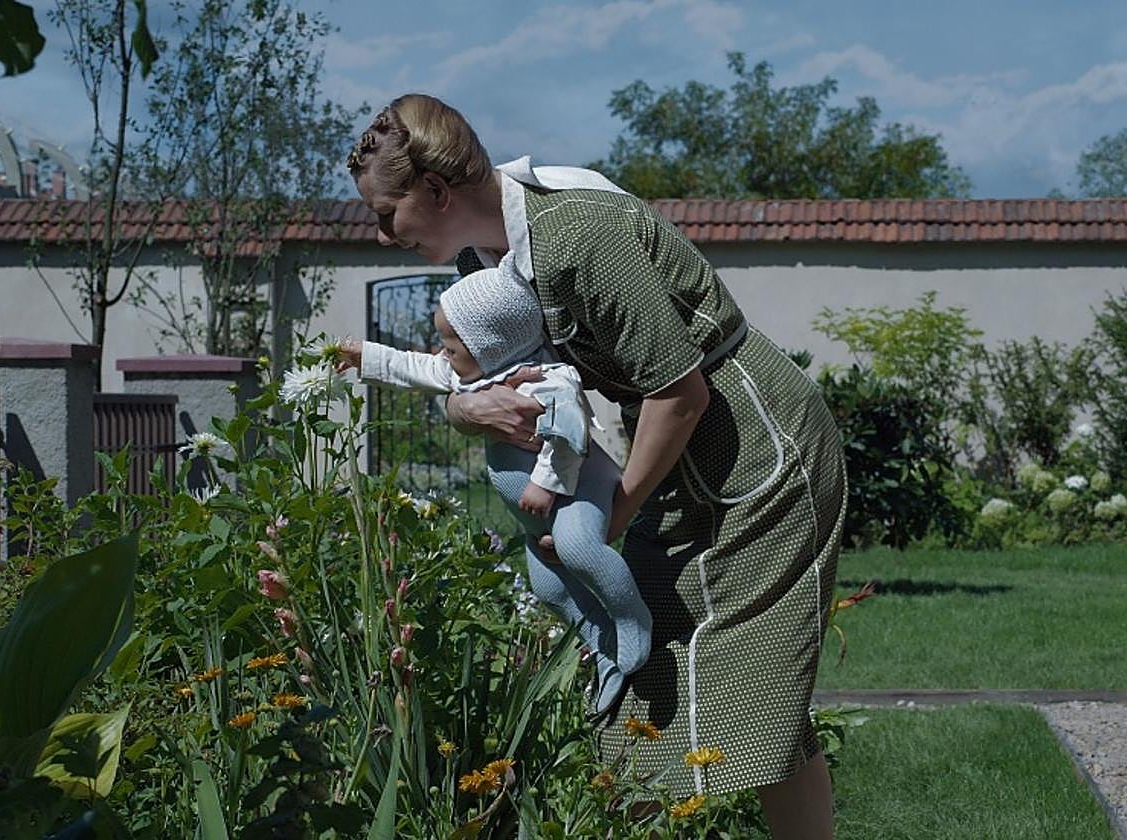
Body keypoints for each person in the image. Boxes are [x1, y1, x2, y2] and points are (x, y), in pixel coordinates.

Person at [346, 94, 847, 838]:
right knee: (652, 675)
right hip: (683, 461)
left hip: (759, 455)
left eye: (387, 215)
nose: (384, 236)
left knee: (745, 691)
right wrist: (463, 409)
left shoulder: (577, 236)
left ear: (436, 192)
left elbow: (680, 392)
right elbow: (488, 377)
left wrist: (614, 518)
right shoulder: (487, 261)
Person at [337, 259, 652, 713]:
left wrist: (545, 484)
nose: (442, 353)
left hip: (577, 489)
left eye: (450, 344)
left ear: (489, 344)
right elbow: (415, 366)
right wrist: (364, 356)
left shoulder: (549, 380)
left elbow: (571, 433)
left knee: (580, 547)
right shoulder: (475, 376)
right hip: (535, 516)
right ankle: (601, 644)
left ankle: (631, 618)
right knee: (548, 588)